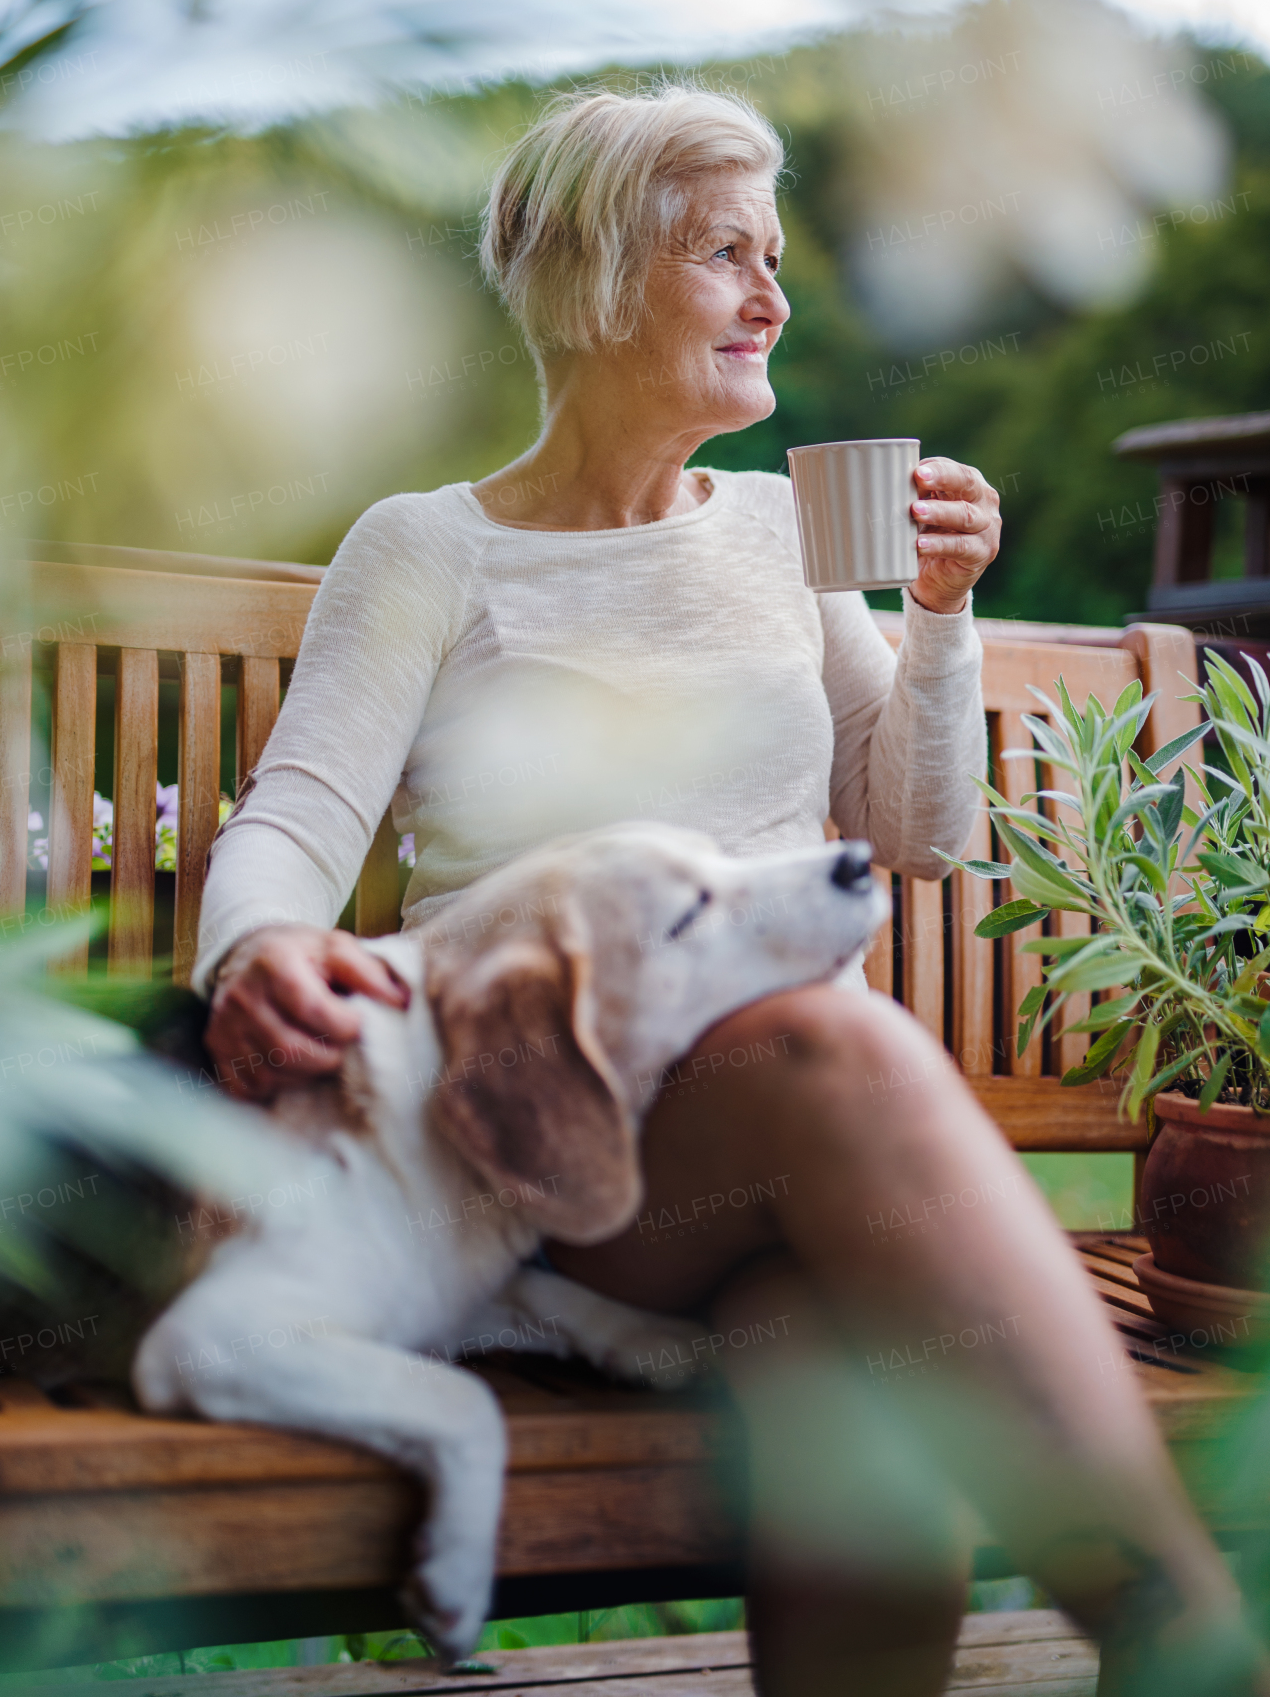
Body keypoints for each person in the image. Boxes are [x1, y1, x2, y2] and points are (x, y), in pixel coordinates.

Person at [197, 85, 1266, 1697]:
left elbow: (910, 833)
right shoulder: (430, 550)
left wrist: (942, 614)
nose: (774, 295)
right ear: (590, 280)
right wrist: (261, 945)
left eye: (775, 256)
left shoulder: (782, 536)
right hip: (544, 1141)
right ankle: (1182, 1635)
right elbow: (295, 815)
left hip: (772, 1175)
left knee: (834, 1367)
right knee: (834, 1050)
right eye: (723, 253)